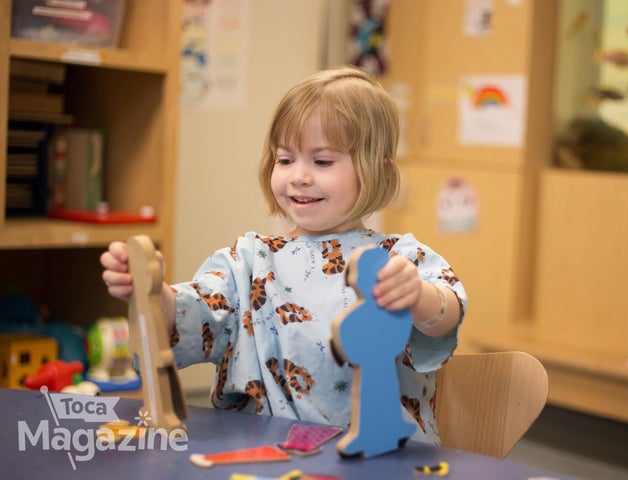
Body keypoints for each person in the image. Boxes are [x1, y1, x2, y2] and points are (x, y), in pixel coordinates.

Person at [100, 66, 467, 444]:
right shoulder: (248, 260)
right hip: (258, 454)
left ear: (378, 170)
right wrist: (150, 292)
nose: (299, 176)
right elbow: (191, 315)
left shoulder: (396, 257)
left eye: (322, 162)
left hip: (374, 458)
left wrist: (417, 297)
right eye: (285, 159)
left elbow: (446, 316)